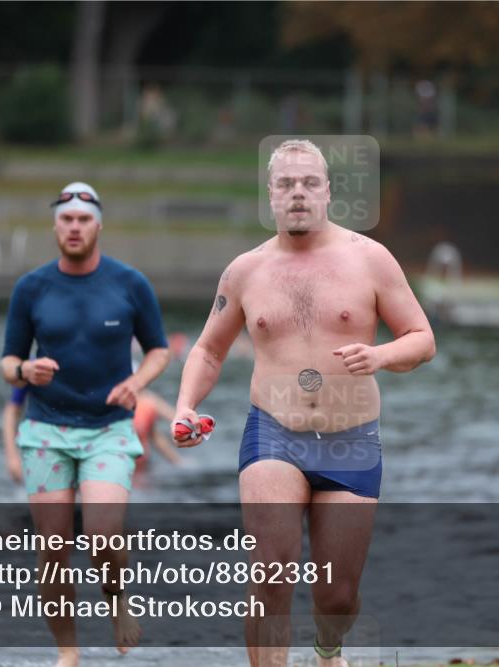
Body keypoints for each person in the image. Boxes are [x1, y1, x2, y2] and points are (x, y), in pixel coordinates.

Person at [172, 140, 435, 667]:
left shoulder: (370, 259)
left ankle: (328, 649)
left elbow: (422, 339)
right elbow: (207, 348)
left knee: (336, 597)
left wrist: (380, 355)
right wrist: (184, 405)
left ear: (328, 191)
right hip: (274, 432)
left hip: (352, 438)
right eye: (286, 184)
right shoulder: (245, 271)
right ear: (270, 194)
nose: (298, 193)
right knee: (270, 571)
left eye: (309, 183)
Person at [0, 182, 169, 666]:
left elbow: (159, 350)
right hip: (46, 428)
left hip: (109, 428)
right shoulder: (31, 287)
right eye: (66, 220)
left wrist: (138, 381)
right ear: (55, 226)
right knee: (52, 551)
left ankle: (117, 601)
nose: (74, 228)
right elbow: (7, 361)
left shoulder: (129, 283)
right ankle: (68, 651)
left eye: (83, 220)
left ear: (99, 225)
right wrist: (24, 371)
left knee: (102, 536)